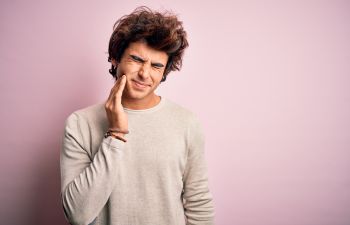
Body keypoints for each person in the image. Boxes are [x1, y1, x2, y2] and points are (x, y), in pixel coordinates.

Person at [60, 6, 215, 225]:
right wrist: (115, 134)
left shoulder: (186, 123)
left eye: (156, 66)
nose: (144, 73)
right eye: (136, 59)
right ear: (115, 59)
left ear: (164, 73)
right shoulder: (80, 124)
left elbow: (199, 204)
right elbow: (77, 214)